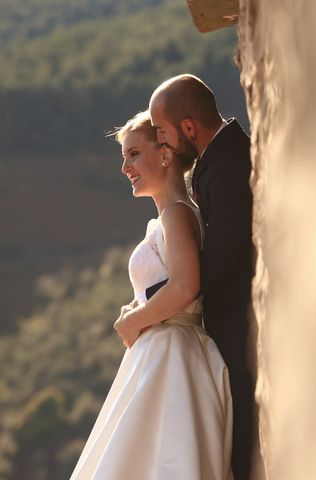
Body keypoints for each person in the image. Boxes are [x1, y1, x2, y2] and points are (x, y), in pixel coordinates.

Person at [71, 111, 233, 480]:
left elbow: (185, 287)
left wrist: (132, 321)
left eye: (134, 154)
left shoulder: (177, 214)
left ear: (164, 154)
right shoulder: (170, 216)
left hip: (172, 357)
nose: (125, 167)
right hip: (159, 354)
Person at [148, 74, 258, 480]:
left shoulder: (228, 165)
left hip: (242, 330)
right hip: (229, 332)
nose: (163, 144)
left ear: (189, 128)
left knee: (244, 448)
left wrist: (162, 299)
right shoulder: (218, 161)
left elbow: (223, 256)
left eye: (163, 133)